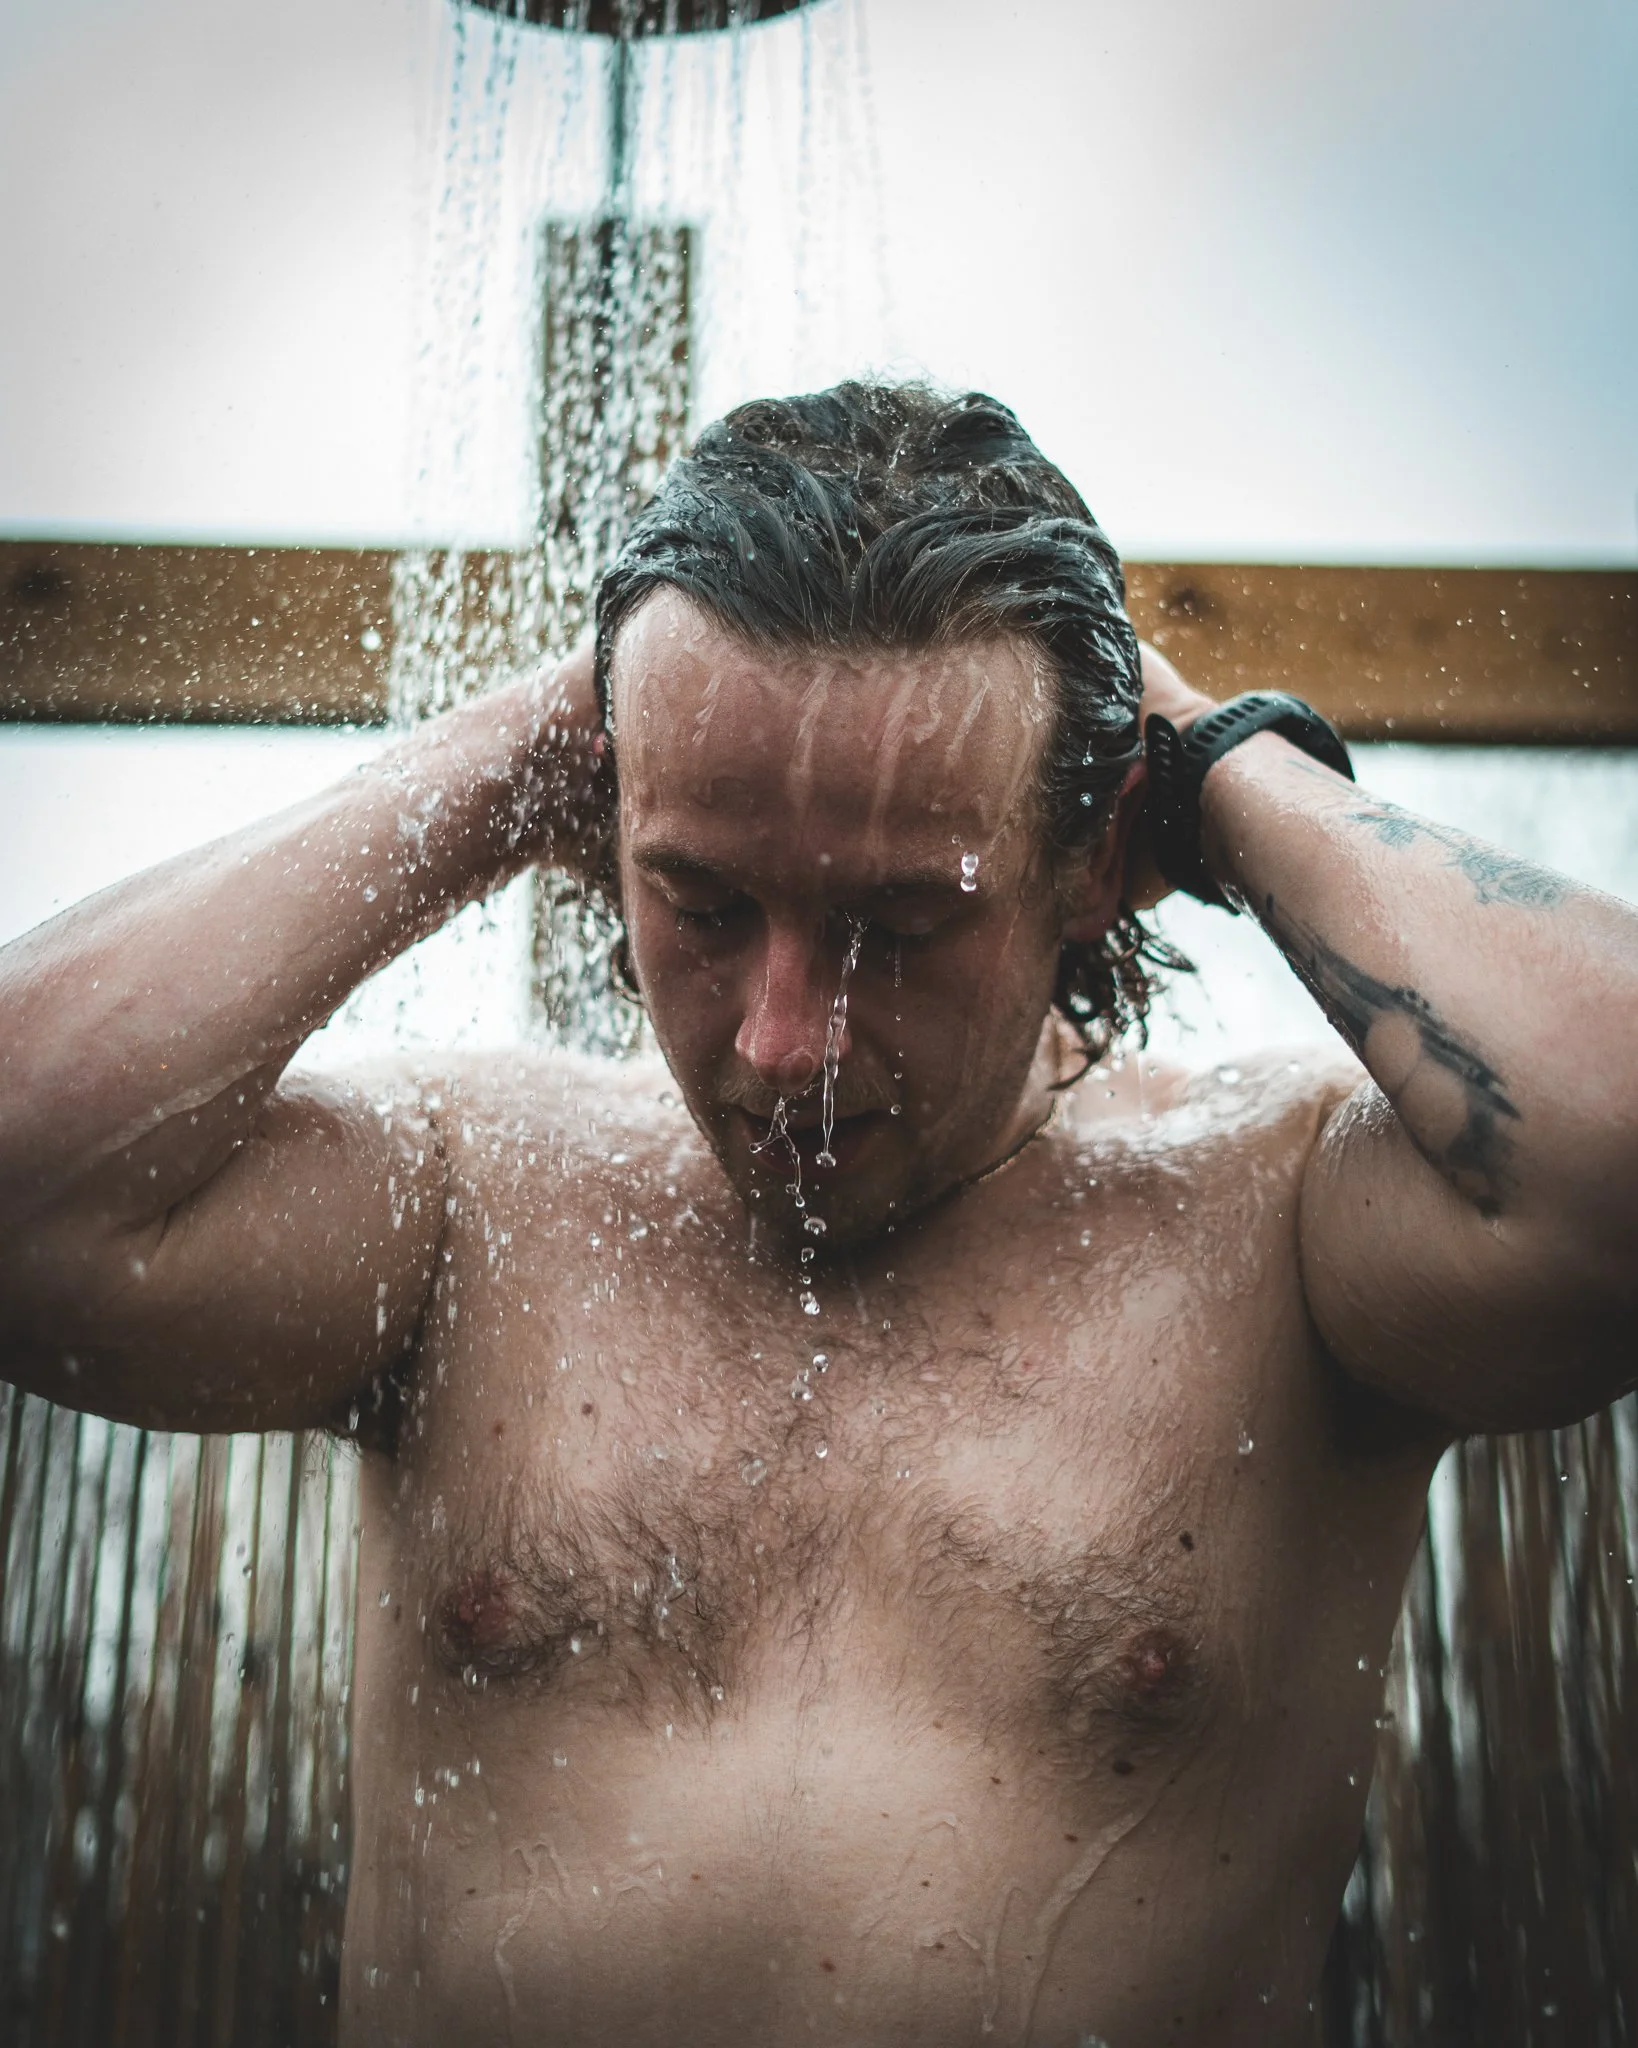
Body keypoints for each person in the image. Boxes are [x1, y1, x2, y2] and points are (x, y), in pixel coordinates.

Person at [1, 381, 1633, 2048]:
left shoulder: (1277, 1221)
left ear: (1094, 859)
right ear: (599, 821)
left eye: (903, 924)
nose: (783, 1038)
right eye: (699, 898)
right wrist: (520, 752)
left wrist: (1218, 766)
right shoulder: (464, 1196)